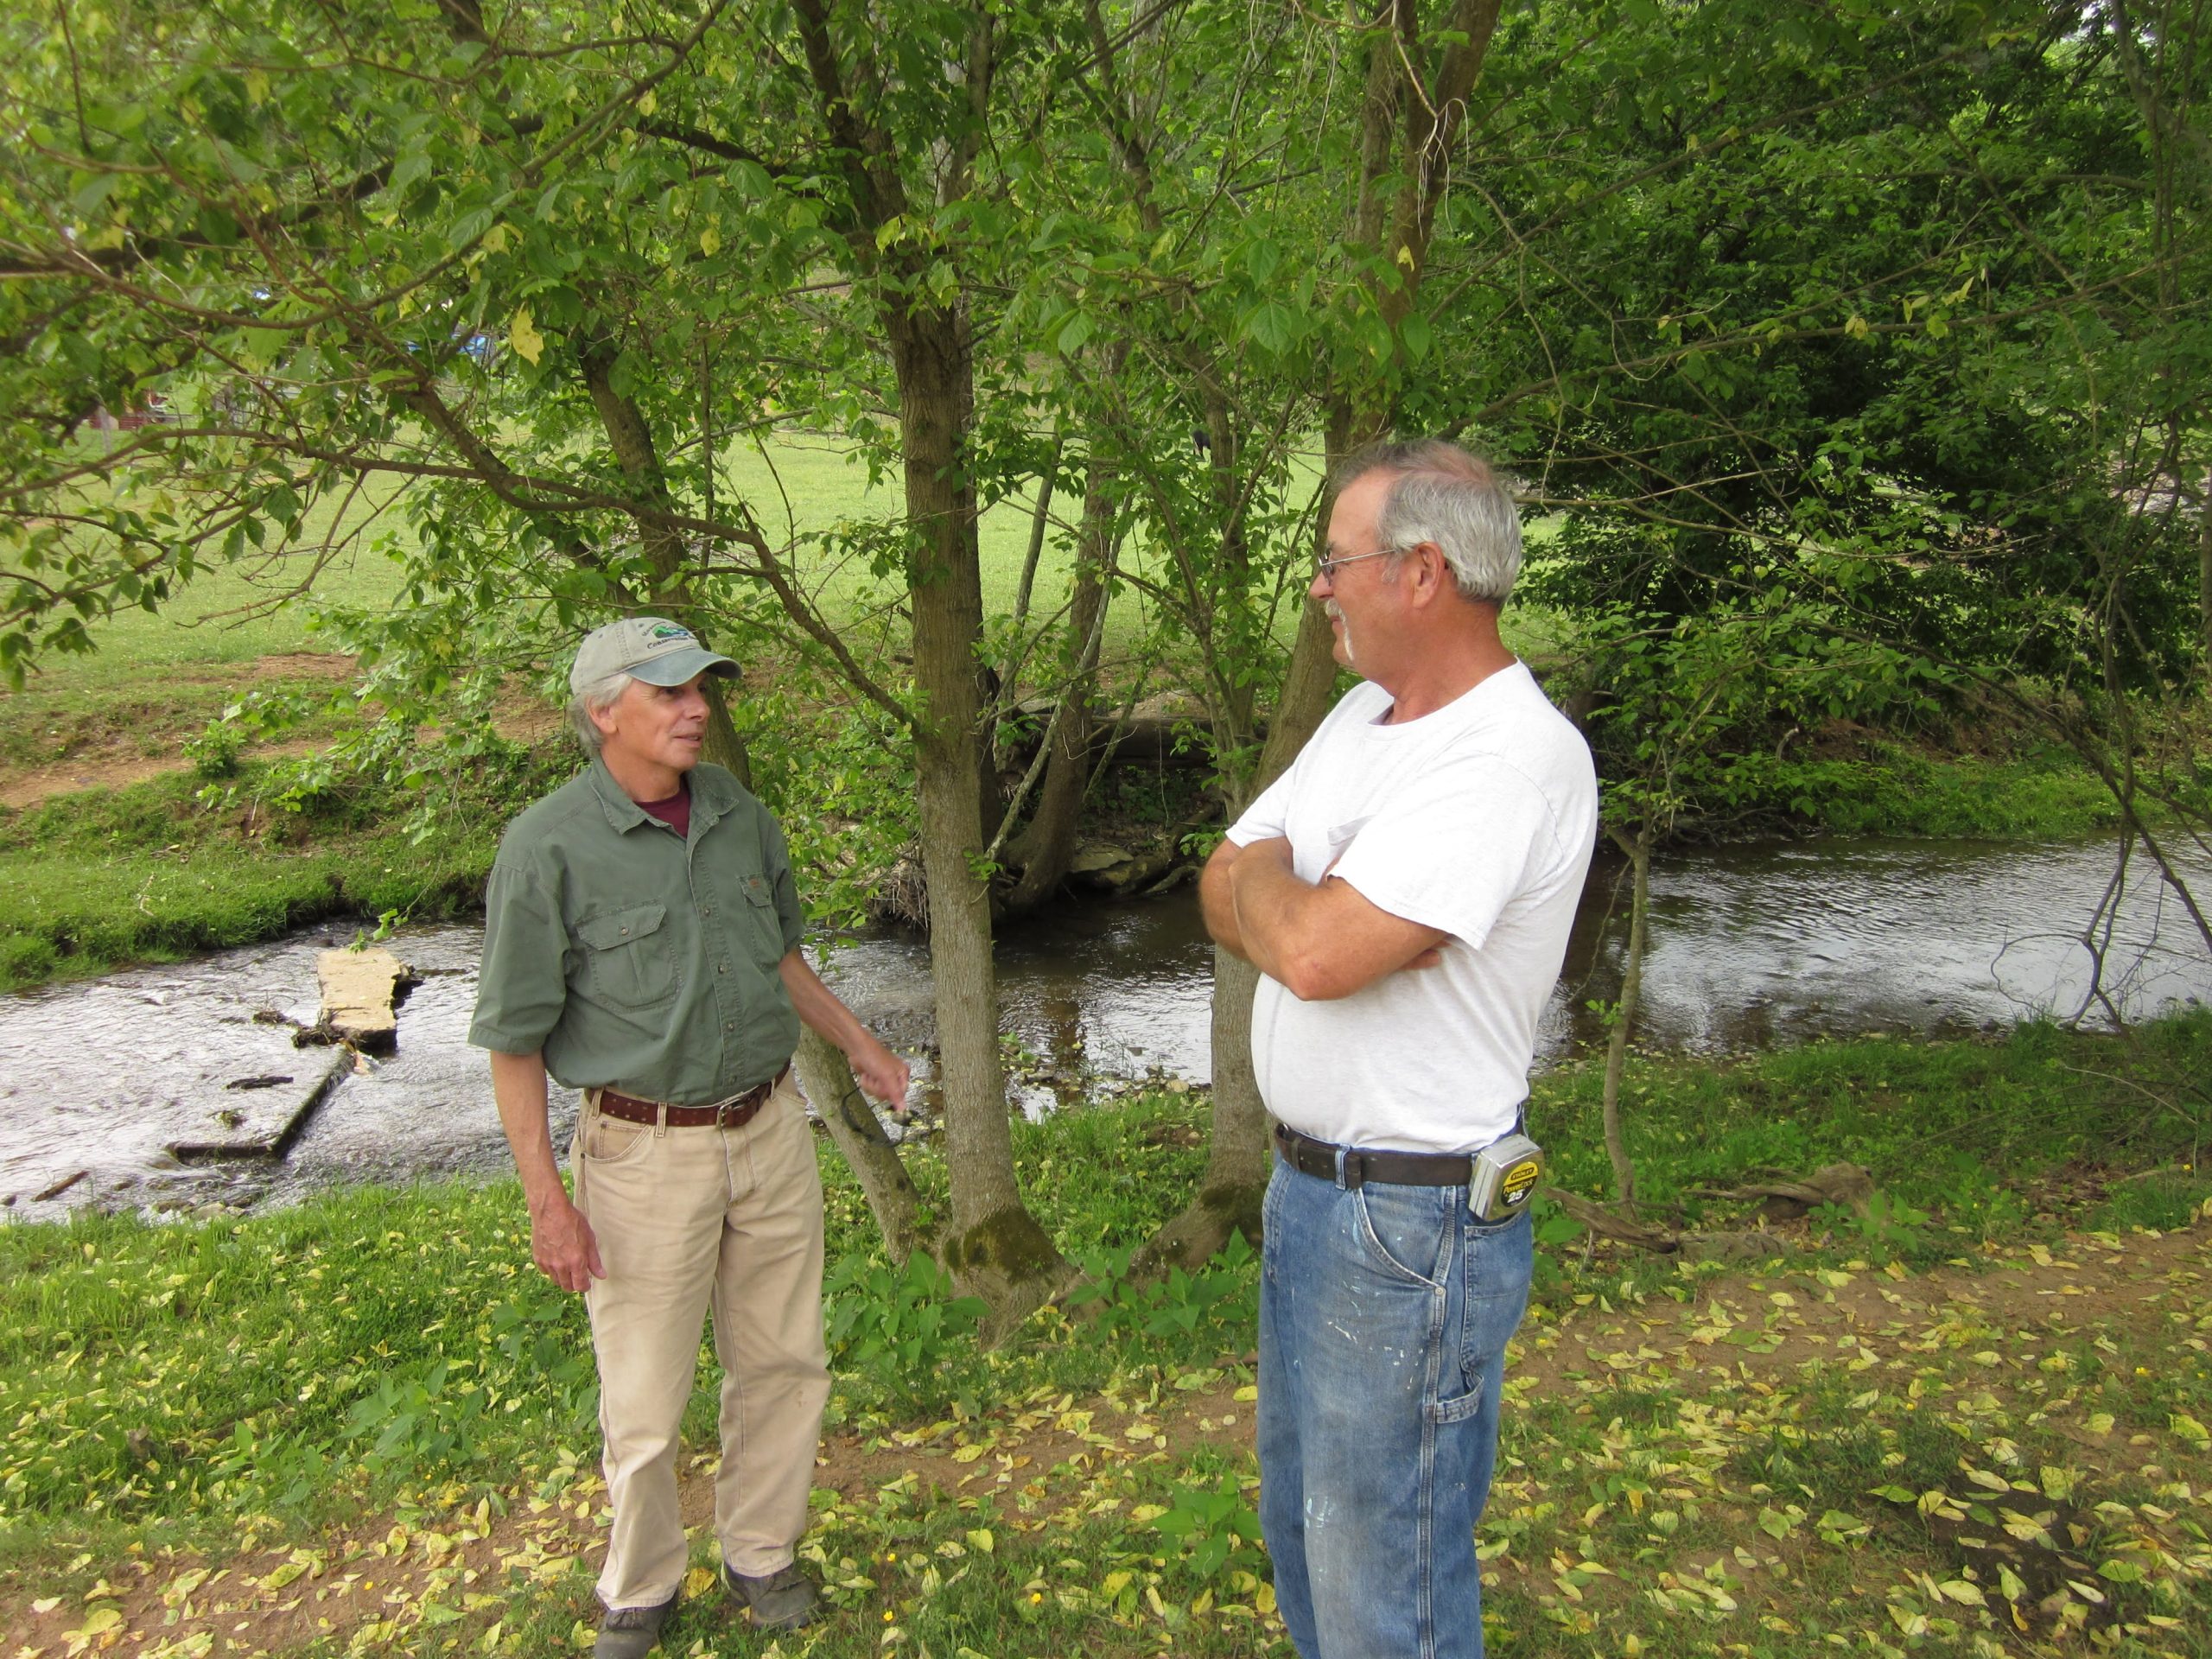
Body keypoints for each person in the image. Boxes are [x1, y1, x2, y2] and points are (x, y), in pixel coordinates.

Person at [1200, 441, 1597, 1659]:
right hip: (1315, 1193)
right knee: (1308, 1534)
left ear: (1421, 573)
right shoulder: (1364, 716)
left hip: (1410, 1231)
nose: (1320, 585)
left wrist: (1307, 901)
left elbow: (1314, 952)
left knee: (1389, 1584)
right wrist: (1307, 900)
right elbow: (1223, 876)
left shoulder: (1508, 758)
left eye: (1336, 561)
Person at [469, 616, 911, 1659]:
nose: (697, 709)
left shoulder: (738, 814)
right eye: (669, 693)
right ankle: (640, 1585)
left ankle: (761, 1552)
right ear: (602, 711)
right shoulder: (546, 849)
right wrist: (549, 1203)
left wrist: (858, 1045)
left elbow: (778, 957)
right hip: (639, 1153)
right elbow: (513, 1041)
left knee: (785, 1363)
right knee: (647, 1395)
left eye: (702, 689)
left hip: (767, 1127)